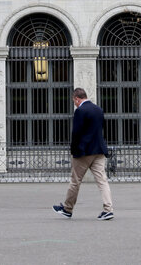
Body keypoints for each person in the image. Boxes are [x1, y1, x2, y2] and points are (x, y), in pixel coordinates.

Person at [53, 88, 114, 220]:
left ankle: (67, 209)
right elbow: (102, 128)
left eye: (74, 101)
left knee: (75, 181)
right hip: (99, 150)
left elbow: (76, 133)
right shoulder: (98, 109)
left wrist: (74, 151)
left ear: (77, 98)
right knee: (102, 181)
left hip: (84, 152)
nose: (74, 104)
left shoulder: (80, 111)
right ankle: (108, 209)